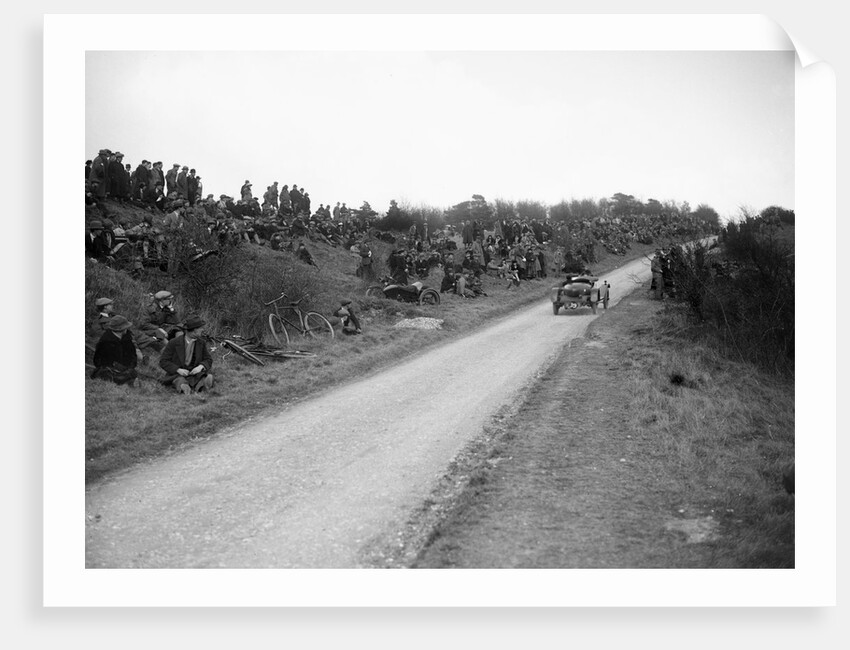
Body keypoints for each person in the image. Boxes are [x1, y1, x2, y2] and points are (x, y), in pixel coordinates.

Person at [158, 314, 214, 395]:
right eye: (200, 328)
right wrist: (178, 370)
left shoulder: (201, 343)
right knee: (179, 380)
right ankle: (185, 387)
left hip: (195, 374)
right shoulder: (173, 342)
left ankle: (201, 385)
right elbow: (163, 361)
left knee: (203, 377)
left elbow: (208, 359)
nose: (202, 330)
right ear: (195, 330)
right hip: (177, 374)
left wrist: (200, 367)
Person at [91, 315, 138, 386]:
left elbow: (133, 356)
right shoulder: (105, 342)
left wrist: (129, 367)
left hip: (126, 369)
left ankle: (126, 379)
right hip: (110, 370)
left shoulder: (127, 338)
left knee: (132, 373)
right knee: (108, 375)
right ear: (121, 329)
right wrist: (114, 366)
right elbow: (98, 362)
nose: (127, 328)